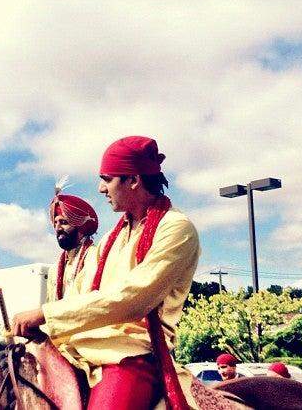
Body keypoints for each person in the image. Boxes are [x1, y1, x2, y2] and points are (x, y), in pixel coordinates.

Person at [12, 135, 200, 410]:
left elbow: (133, 298)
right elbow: (82, 292)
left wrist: (46, 314)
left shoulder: (176, 228)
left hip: (129, 356)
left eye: (107, 179)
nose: (101, 188)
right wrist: (43, 326)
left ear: (133, 179)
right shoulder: (115, 235)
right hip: (81, 348)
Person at [47, 185, 99, 301]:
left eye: (63, 222)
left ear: (81, 227)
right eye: (55, 223)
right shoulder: (54, 269)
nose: (57, 228)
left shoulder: (95, 257)